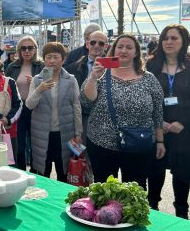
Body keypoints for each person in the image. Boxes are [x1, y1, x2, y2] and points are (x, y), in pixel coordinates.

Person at [81, 34, 165, 189]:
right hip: (102, 144)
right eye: (120, 47)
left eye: (129, 47)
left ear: (136, 52)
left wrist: (160, 141)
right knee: (102, 189)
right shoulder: (102, 73)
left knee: (134, 190)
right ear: (113, 50)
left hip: (138, 144)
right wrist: (93, 77)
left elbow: (158, 113)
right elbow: (87, 101)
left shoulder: (149, 79)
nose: (123, 50)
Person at [146, 24, 190, 219]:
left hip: (184, 131)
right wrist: (159, 121)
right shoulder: (150, 66)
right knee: (155, 172)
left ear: (184, 42)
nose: (169, 42)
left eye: (174, 38)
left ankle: (181, 212)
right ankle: (151, 208)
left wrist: (183, 121)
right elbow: (143, 97)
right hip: (157, 129)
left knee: (182, 175)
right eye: (166, 38)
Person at [26, 42, 82, 182]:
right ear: (44, 59)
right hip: (42, 134)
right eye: (48, 57)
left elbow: (76, 106)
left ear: (63, 59)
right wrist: (39, 90)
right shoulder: (37, 79)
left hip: (65, 133)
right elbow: (29, 105)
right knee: (43, 173)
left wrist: (78, 133)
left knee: (63, 172)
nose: (51, 61)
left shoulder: (71, 80)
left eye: (56, 57)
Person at [5, 35, 44, 171]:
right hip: (18, 109)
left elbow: (50, 87)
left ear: (35, 49)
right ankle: (20, 172)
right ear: (19, 51)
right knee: (19, 145)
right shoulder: (12, 67)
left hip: (37, 109)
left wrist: (36, 82)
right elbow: (6, 89)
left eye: (30, 48)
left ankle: (35, 173)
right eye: (23, 48)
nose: (27, 51)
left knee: (36, 144)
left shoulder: (42, 66)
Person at [66, 31, 108, 141]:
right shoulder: (74, 67)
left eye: (101, 43)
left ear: (106, 46)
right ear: (87, 44)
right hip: (81, 116)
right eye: (93, 42)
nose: (97, 46)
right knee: (82, 152)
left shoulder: (112, 68)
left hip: (104, 119)